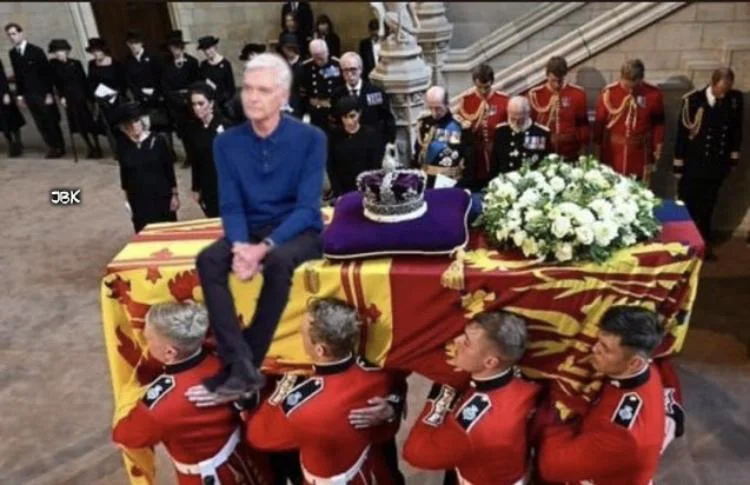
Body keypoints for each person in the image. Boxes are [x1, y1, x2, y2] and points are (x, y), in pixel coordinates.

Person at [193, 53, 325, 397]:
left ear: (283, 96)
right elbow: (231, 204)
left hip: (298, 230)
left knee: (278, 261)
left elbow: (307, 208)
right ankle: (241, 365)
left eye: (263, 90)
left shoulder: (311, 138)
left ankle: (245, 363)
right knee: (208, 259)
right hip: (249, 228)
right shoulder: (225, 143)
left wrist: (262, 249)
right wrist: (240, 246)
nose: (252, 97)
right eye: (248, 88)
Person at [246, 297, 403, 485]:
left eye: (302, 333)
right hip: (368, 472)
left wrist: (286, 383)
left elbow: (258, 436)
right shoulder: (377, 376)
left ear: (320, 350)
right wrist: (392, 408)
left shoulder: (302, 406)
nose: (299, 336)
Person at [112, 302, 272, 485]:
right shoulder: (227, 364)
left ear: (170, 352)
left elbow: (124, 436)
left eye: (149, 339)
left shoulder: (160, 405)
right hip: (248, 461)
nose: (146, 344)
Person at [403, 311, 539, 485]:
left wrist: (445, 387)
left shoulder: (470, 425)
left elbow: (416, 453)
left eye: (467, 343)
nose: (456, 340)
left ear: (490, 362)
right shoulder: (530, 383)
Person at [534, 306, 666, 485]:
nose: (594, 349)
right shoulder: (644, 371)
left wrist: (556, 416)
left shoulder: (622, 435)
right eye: (598, 341)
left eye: (606, 349)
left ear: (634, 363)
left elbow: (551, 467)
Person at [674, 67, 743, 261]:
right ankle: (683, 246)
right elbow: (682, 135)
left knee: (707, 208)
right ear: (713, 83)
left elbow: (736, 131)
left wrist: (733, 159)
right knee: (687, 206)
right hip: (693, 165)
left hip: (715, 166)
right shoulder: (693, 100)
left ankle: (702, 246)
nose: (723, 94)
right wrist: (678, 164)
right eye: (721, 89)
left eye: (727, 89)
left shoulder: (734, 101)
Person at [594, 59, 664, 183]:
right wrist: (597, 149)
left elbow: (658, 123)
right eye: (626, 86)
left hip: (640, 154)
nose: (630, 90)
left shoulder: (653, 94)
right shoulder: (609, 93)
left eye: (633, 86)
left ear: (641, 79)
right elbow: (599, 124)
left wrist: (658, 145)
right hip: (614, 153)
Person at [115, 102, 178, 233]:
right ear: (124, 127)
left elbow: (169, 170)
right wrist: (127, 201)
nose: (134, 126)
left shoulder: (158, 141)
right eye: (129, 123)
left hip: (161, 197)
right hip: (139, 200)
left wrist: (174, 195)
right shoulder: (122, 146)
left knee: (168, 233)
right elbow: (125, 175)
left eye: (136, 121)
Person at [5, 22, 65, 158]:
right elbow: (18, 75)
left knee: (50, 120)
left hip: (42, 92)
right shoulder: (13, 53)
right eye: (9, 35)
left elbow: (46, 73)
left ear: (21, 33)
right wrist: (20, 96)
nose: (12, 37)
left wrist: (49, 93)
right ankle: (51, 146)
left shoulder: (36, 51)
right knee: (40, 122)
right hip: (28, 94)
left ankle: (59, 147)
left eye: (14, 34)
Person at [454, 63, 509, 191]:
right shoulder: (466, 101)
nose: (483, 91)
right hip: (475, 157)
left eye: (487, 87)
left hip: (496, 153)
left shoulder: (503, 100)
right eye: (480, 87)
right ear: (474, 82)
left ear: (492, 82)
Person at [48, 39, 103, 159]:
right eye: (56, 52)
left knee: (89, 122)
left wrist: (91, 98)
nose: (58, 54)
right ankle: (90, 146)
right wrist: (62, 97)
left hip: (81, 96)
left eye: (60, 51)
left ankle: (97, 146)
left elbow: (83, 80)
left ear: (66, 51)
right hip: (68, 97)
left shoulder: (76, 63)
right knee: (78, 124)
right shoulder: (54, 66)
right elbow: (56, 84)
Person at [528, 56, 589, 161]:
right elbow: (530, 127)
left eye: (560, 81)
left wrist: (583, 152)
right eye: (553, 80)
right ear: (547, 75)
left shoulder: (578, 94)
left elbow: (582, 126)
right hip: (543, 152)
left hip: (570, 152)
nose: (556, 85)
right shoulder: (536, 95)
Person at [413, 86, 473, 189]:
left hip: (449, 183)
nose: (434, 113)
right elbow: (418, 154)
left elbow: (469, 160)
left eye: (438, 108)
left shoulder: (458, 126)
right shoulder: (424, 124)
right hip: (426, 182)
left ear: (447, 104)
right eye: (430, 108)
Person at [332, 51, 395, 147]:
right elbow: (335, 122)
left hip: (373, 143)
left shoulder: (375, 92)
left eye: (353, 69)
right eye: (345, 70)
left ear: (360, 69)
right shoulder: (337, 95)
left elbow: (387, 119)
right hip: (348, 144)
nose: (349, 74)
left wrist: (389, 141)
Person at [184, 82, 226, 218]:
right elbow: (195, 161)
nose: (197, 108)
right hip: (207, 185)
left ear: (211, 103)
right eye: (194, 104)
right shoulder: (193, 129)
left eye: (201, 103)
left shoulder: (225, 126)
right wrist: (195, 188)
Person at [328, 95, 384, 198]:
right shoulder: (334, 136)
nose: (349, 121)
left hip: (367, 190)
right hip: (344, 190)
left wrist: (370, 190)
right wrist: (338, 193)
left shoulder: (371, 135)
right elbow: (331, 167)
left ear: (359, 113)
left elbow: (375, 166)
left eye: (352, 116)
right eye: (345, 117)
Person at [161, 30, 200, 160]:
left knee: (194, 129)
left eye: (177, 47)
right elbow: (165, 85)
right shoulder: (166, 64)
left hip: (190, 101)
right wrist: (176, 99)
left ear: (182, 47)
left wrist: (188, 97)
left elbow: (196, 82)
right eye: (172, 48)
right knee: (182, 131)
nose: (175, 51)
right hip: (175, 103)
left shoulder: (192, 62)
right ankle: (189, 156)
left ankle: (197, 155)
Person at [490, 96, 550, 177]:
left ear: (528, 113)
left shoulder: (541, 132)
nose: (516, 122)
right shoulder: (501, 131)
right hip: (505, 179)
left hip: (530, 179)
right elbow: (495, 162)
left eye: (520, 119)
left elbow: (546, 162)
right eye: (513, 118)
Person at [85, 37, 127, 154]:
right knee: (108, 126)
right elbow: (91, 82)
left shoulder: (116, 64)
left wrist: (115, 93)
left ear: (103, 51)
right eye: (93, 52)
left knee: (120, 124)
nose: (95, 54)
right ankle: (116, 150)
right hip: (101, 100)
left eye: (98, 51)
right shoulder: (91, 64)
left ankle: (126, 146)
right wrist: (95, 95)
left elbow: (123, 83)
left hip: (116, 99)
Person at [123, 30, 168, 133]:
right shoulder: (128, 61)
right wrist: (140, 94)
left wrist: (157, 93)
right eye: (130, 43)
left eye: (136, 43)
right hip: (141, 100)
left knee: (162, 127)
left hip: (157, 97)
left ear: (141, 43)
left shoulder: (154, 57)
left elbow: (161, 77)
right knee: (146, 128)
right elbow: (129, 82)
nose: (133, 46)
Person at [300, 39, 343, 133]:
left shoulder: (338, 65)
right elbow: (303, 92)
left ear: (327, 52)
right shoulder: (306, 67)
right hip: (315, 111)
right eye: (316, 57)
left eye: (321, 56)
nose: (319, 60)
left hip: (334, 110)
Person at [197, 35, 236, 119]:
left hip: (223, 104)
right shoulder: (203, 65)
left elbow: (231, 88)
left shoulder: (225, 64)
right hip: (209, 105)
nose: (207, 52)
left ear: (215, 47)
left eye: (209, 48)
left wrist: (222, 100)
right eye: (204, 50)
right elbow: (201, 84)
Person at [0, 57, 25, 157]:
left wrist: (6, 93)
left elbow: (2, 76)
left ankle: (18, 143)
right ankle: (11, 144)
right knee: (3, 123)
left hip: (2, 94)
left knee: (12, 120)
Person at [278, 33, 305, 119]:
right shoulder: (280, 63)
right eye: (286, 48)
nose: (288, 51)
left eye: (291, 48)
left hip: (298, 99)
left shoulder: (303, 63)